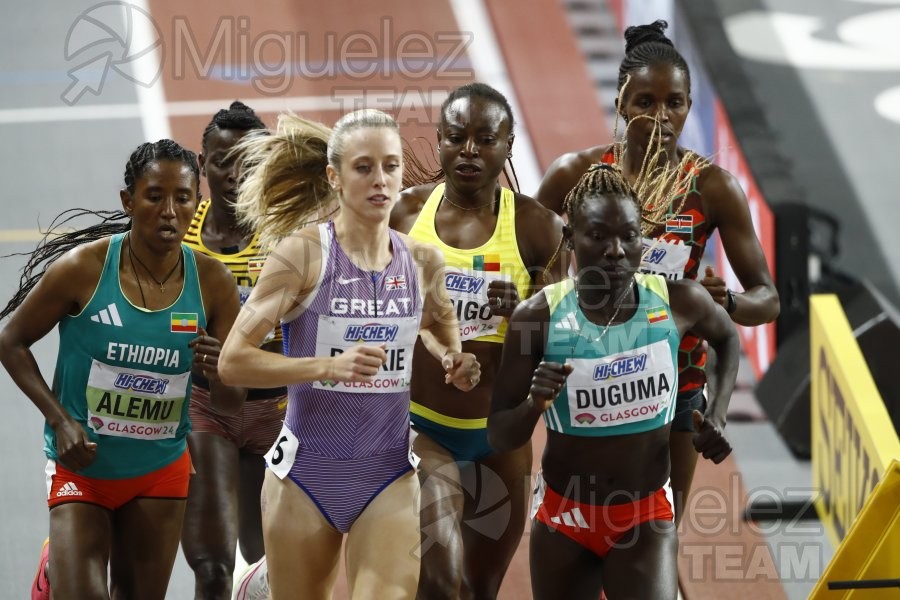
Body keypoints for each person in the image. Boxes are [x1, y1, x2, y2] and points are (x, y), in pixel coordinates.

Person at [217, 108, 481, 599]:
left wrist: (453, 360)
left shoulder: (422, 261)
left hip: (388, 474)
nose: (381, 180)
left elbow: (441, 328)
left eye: (391, 165)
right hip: (305, 477)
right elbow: (233, 360)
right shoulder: (302, 256)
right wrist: (325, 366)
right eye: (364, 167)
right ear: (334, 177)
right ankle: (258, 584)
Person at [534, 20, 779, 521]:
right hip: (587, 374)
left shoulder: (712, 188)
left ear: (690, 106)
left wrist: (724, 301)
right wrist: (551, 287)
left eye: (675, 103)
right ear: (622, 104)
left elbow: (767, 300)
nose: (661, 117)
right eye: (645, 102)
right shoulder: (574, 174)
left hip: (677, 383)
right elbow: (527, 261)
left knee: (658, 531)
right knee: (586, 522)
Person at [0, 140, 245, 600]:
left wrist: (220, 372)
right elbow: (11, 341)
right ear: (128, 201)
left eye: (184, 197)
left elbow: (231, 406)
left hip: (159, 470)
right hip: (83, 469)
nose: (170, 211)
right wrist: (60, 420)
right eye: (154, 196)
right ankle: (55, 571)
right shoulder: (84, 269)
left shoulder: (213, 283)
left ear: (198, 201)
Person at [489, 164, 740, 599]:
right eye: (599, 236)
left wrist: (716, 411)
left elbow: (726, 336)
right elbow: (498, 433)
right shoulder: (537, 318)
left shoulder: (678, 302)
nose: (616, 251)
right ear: (569, 238)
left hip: (645, 517)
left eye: (629, 236)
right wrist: (534, 403)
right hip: (564, 519)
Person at [391, 82, 567, 599]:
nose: (469, 149)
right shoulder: (404, 216)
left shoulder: (539, 228)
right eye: (455, 137)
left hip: (502, 437)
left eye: (485, 139)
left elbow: (564, 343)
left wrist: (525, 314)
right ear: (440, 142)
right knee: (440, 580)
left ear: (508, 145)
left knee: (479, 588)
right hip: (422, 427)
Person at [180, 101, 285, 599]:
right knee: (213, 566)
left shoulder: (290, 233)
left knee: (267, 571)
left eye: (248, 161)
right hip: (206, 409)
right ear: (202, 164)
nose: (234, 173)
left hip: (278, 411)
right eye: (222, 161)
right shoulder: (181, 234)